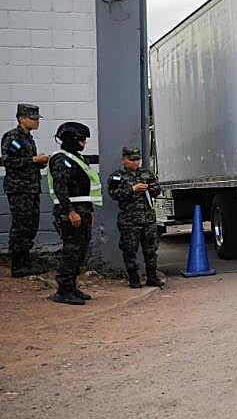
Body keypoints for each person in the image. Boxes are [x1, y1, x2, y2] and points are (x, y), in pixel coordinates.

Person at [46, 122, 102, 305]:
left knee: (81, 250)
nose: (84, 143)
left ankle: (71, 286)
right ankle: (63, 290)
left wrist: (90, 209)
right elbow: (60, 188)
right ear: (71, 140)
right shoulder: (60, 159)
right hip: (70, 212)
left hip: (83, 209)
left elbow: (84, 188)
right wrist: (70, 211)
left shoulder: (76, 158)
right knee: (72, 250)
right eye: (81, 140)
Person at [2, 103, 50, 276]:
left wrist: (40, 162)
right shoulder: (13, 138)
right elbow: (8, 162)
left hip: (31, 188)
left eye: (37, 118)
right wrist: (34, 160)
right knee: (21, 226)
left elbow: (26, 162)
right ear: (21, 119)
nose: (37, 122)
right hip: (19, 189)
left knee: (31, 225)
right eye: (33, 118)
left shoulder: (28, 138)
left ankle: (26, 262)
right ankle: (18, 265)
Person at [107, 146, 163, 289]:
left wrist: (152, 188)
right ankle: (134, 278)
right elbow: (113, 194)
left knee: (150, 249)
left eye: (137, 160)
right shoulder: (117, 176)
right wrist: (132, 189)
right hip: (129, 220)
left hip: (148, 218)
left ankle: (152, 277)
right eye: (132, 160)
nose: (135, 163)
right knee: (130, 249)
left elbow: (157, 190)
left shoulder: (146, 173)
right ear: (124, 160)